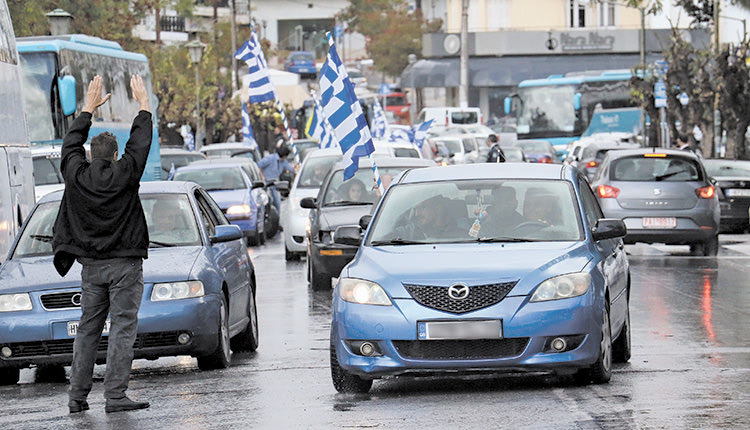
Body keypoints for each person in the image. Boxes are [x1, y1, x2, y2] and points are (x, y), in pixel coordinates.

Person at [52, 75, 152, 414]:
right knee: (123, 328)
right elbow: (140, 145)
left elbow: (69, 146)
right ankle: (115, 396)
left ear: (90, 155)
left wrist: (87, 109)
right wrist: (143, 105)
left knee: (88, 331)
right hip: (125, 265)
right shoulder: (126, 173)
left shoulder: (76, 175)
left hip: (91, 268)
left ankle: (77, 397)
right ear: (115, 155)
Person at [257, 143, 295, 214]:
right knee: (266, 203)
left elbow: (291, 169)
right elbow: (259, 165)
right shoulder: (270, 158)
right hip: (266, 184)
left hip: (275, 184)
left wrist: (296, 168)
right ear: (284, 155)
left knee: (278, 203)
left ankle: (279, 221)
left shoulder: (283, 162)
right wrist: (262, 177)